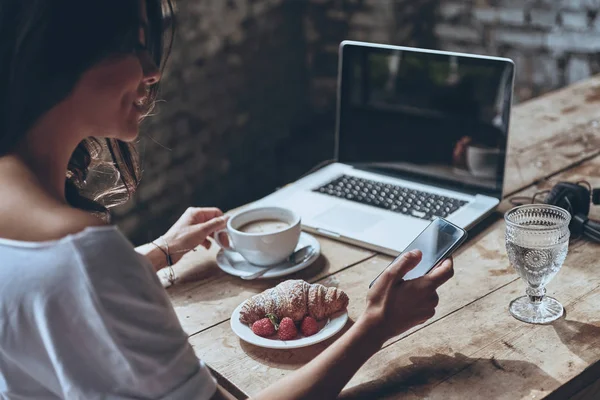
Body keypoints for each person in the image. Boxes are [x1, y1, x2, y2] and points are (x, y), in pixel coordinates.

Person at [0, 1, 455, 399]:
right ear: (56, 53)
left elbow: (48, 291)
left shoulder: (49, 245)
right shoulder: (83, 258)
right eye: (133, 43)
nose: (152, 68)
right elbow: (74, 278)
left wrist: (161, 251)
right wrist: (375, 325)